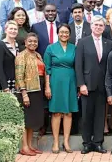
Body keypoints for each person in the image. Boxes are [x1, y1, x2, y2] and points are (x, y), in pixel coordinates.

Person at [75, 15, 112, 154]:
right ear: (91, 26)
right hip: (87, 85)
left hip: (103, 85)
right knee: (86, 115)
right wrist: (81, 84)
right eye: (96, 25)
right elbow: (78, 65)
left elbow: (110, 67)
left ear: (104, 28)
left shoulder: (108, 43)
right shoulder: (82, 42)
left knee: (100, 116)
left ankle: (98, 142)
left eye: (101, 25)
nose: (98, 27)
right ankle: (87, 143)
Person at [43, 24, 78, 153]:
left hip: (70, 81)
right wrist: (47, 86)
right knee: (57, 112)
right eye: (62, 32)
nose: (64, 34)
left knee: (68, 112)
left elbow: (77, 66)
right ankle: (56, 142)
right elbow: (47, 68)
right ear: (58, 33)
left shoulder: (74, 48)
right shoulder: (50, 48)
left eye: (66, 32)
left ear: (69, 34)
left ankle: (66, 142)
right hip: (55, 81)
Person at [15, 33, 46, 156]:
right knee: (25, 120)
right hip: (27, 92)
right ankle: (24, 147)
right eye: (30, 41)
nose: (33, 43)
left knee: (32, 121)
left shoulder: (37, 55)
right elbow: (19, 76)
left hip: (37, 90)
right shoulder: (21, 56)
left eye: (35, 41)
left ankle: (30, 145)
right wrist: (24, 93)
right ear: (25, 42)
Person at [0, 20, 20, 93]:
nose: (13, 31)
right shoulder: (0, 45)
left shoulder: (17, 45)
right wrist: (5, 87)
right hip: (5, 84)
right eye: (11, 29)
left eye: (15, 29)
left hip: (15, 83)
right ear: (5, 30)